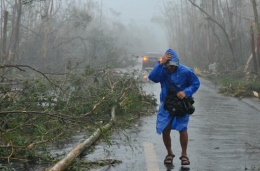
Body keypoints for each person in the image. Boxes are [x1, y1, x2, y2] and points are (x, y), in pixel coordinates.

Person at [148, 48, 200, 166]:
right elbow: (152, 77)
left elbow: (196, 83)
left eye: (172, 66)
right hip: (167, 103)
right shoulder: (162, 70)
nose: (170, 68)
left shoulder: (186, 71)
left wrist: (186, 92)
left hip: (182, 103)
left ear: (177, 64)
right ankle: (169, 153)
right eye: (168, 66)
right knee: (165, 129)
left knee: (183, 128)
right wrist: (160, 63)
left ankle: (184, 154)